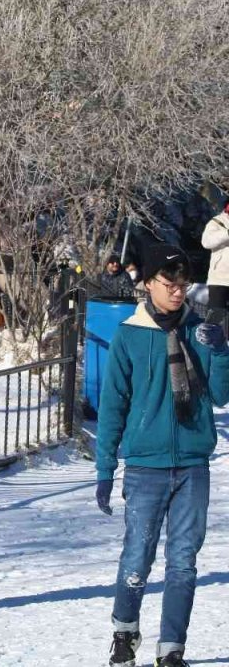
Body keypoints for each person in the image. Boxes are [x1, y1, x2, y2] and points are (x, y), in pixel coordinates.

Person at [96, 244, 229, 667]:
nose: (177, 293)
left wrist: (223, 352)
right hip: (145, 466)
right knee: (137, 557)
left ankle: (172, 648)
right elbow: (113, 404)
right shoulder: (130, 335)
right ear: (149, 283)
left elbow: (223, 396)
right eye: (169, 284)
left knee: (183, 563)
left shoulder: (200, 330)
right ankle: (124, 632)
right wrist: (105, 468)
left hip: (192, 464)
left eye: (183, 285)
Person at [201, 202, 229, 326]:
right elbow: (206, 242)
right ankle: (211, 343)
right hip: (220, 280)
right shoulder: (216, 222)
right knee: (215, 317)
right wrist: (227, 234)